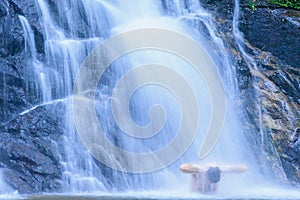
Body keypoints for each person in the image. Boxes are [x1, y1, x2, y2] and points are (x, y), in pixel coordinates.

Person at [180, 163, 248, 194]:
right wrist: (199, 170)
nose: (213, 184)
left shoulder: (220, 171)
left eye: (215, 182)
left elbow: (244, 168)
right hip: (196, 192)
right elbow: (182, 168)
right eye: (211, 181)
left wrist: (228, 169)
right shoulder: (199, 171)